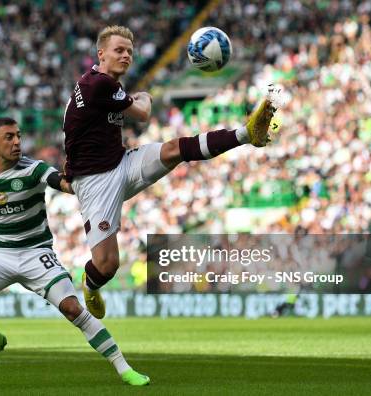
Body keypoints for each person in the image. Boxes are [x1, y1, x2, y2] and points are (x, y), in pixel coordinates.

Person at [63, 25, 278, 318]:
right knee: (107, 265)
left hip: (121, 162)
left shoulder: (103, 84)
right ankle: (89, 286)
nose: (126, 56)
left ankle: (246, 134)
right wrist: (145, 96)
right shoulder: (99, 85)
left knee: (174, 149)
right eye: (119, 50)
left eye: (129, 51)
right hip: (95, 182)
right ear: (101, 54)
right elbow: (143, 113)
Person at [0, 117, 150, 386]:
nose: (17, 142)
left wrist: (76, 177)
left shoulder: (34, 169)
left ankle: (124, 368)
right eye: (9, 137)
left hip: (35, 253)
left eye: (18, 136)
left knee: (73, 309)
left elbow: (62, 183)